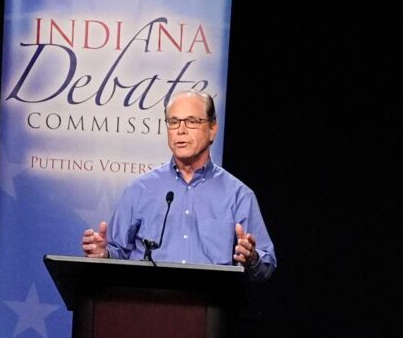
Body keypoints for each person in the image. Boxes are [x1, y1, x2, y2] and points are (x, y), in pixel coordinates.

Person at [80, 90, 275, 277]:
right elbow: (117, 253)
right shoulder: (139, 190)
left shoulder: (238, 195)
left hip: (209, 305)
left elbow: (267, 264)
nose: (180, 130)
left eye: (192, 121)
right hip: (147, 302)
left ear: (212, 129)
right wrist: (103, 254)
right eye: (173, 122)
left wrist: (252, 258)